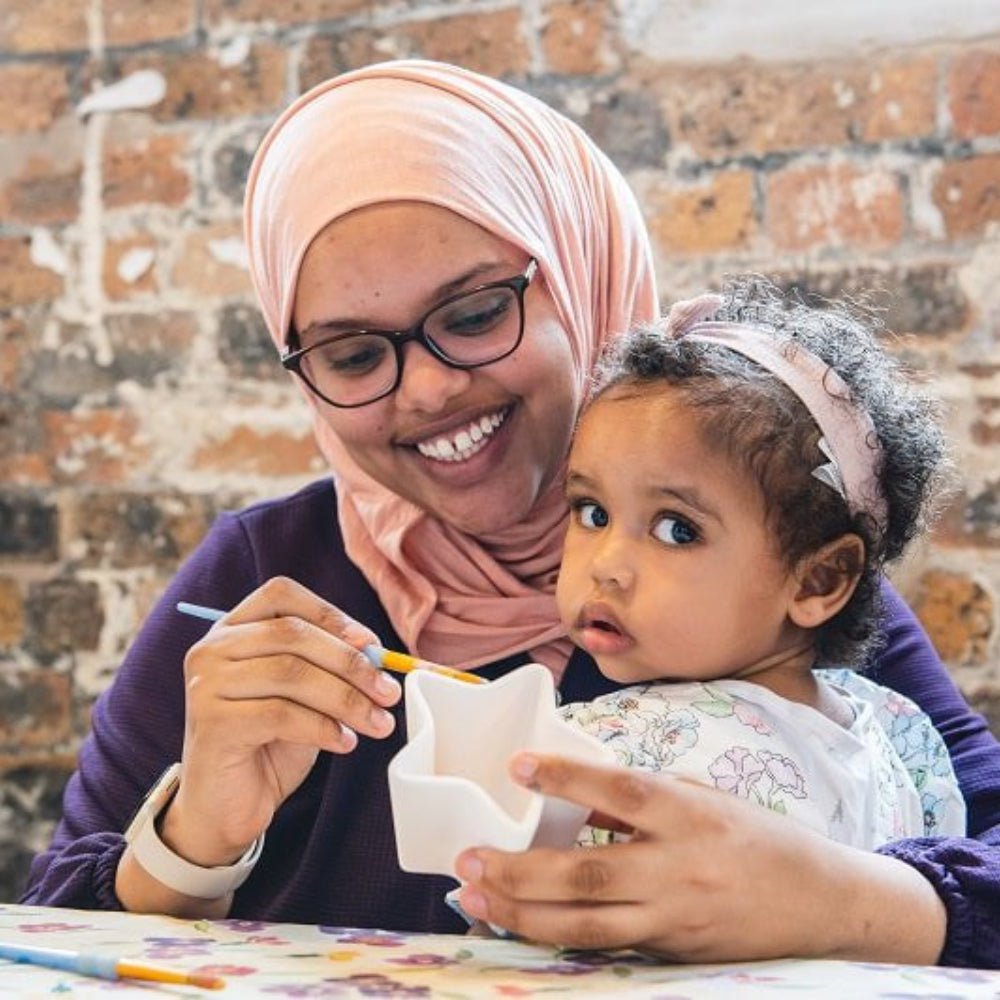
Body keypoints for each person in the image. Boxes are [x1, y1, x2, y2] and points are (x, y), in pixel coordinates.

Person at [21, 60, 1000, 968]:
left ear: (577, 271)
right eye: (355, 355)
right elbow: (46, 925)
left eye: (476, 312)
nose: (427, 391)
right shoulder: (266, 575)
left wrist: (832, 898)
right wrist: (195, 837)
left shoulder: (764, 576)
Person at [555, 278, 966, 850]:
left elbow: (492, 900)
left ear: (820, 579)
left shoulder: (609, 751)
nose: (606, 566)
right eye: (592, 512)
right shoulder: (901, 736)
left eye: (677, 530)